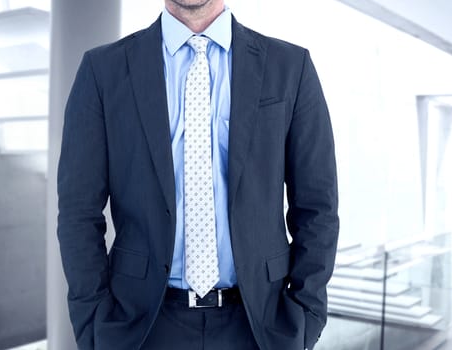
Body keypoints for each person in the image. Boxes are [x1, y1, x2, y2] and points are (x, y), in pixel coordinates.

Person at [57, 0, 339, 349]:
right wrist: (94, 323)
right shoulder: (103, 70)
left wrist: (306, 315)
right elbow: (77, 213)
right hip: (141, 327)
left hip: (260, 327)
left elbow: (317, 207)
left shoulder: (290, 67)